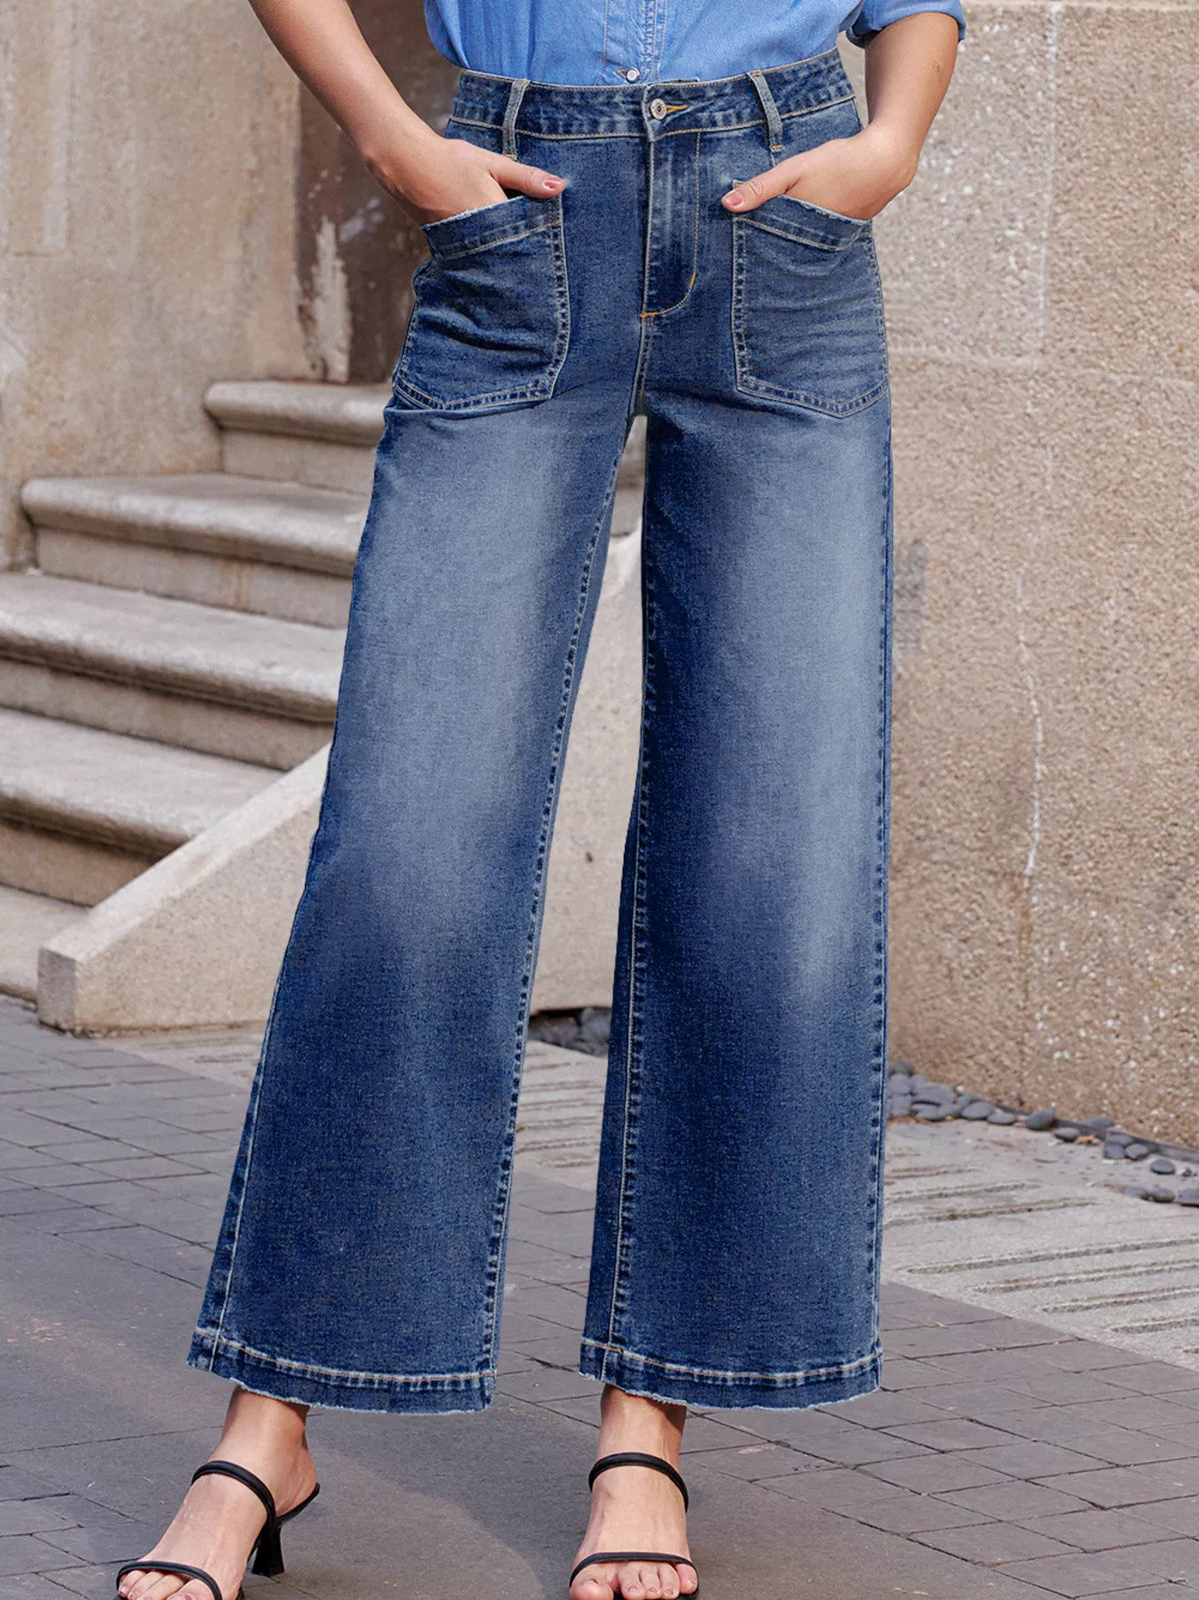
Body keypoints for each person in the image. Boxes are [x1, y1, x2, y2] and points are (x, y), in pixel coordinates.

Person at [113, 1, 963, 1597]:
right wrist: (389, 136)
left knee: (766, 856)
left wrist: (893, 139)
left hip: (781, 220)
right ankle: (268, 1424)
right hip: (516, 221)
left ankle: (650, 1423)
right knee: (410, 853)